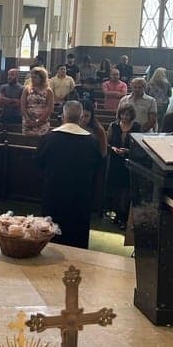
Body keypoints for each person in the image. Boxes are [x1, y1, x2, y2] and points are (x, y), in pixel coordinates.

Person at [37, 101, 103, 249]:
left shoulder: (49, 138)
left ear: (63, 116)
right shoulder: (92, 141)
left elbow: (38, 164)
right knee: (76, 239)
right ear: (80, 117)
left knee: (51, 237)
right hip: (80, 198)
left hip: (54, 194)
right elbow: (97, 168)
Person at [106, 104, 141, 229]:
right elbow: (107, 143)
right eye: (123, 114)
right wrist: (113, 148)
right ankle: (117, 214)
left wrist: (127, 151)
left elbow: (139, 147)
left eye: (127, 114)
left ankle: (124, 217)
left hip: (129, 162)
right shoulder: (113, 126)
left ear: (132, 115)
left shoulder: (137, 127)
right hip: (115, 161)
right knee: (116, 189)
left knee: (126, 190)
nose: (125, 117)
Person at [21, 66, 54, 136]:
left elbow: (49, 108)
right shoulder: (27, 89)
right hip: (28, 121)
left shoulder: (48, 91)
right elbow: (23, 105)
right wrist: (27, 118)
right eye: (32, 77)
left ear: (42, 78)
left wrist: (40, 120)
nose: (32, 79)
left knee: (41, 140)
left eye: (35, 77)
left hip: (42, 122)